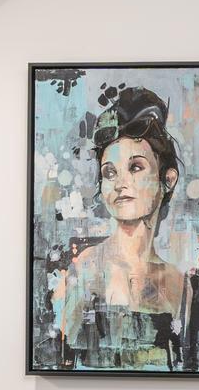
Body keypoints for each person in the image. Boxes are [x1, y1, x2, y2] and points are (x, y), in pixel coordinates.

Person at [50, 86, 190, 366]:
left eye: (135, 167)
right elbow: (61, 363)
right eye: (109, 172)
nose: (119, 183)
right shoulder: (82, 273)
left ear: (168, 179)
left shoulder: (179, 285)